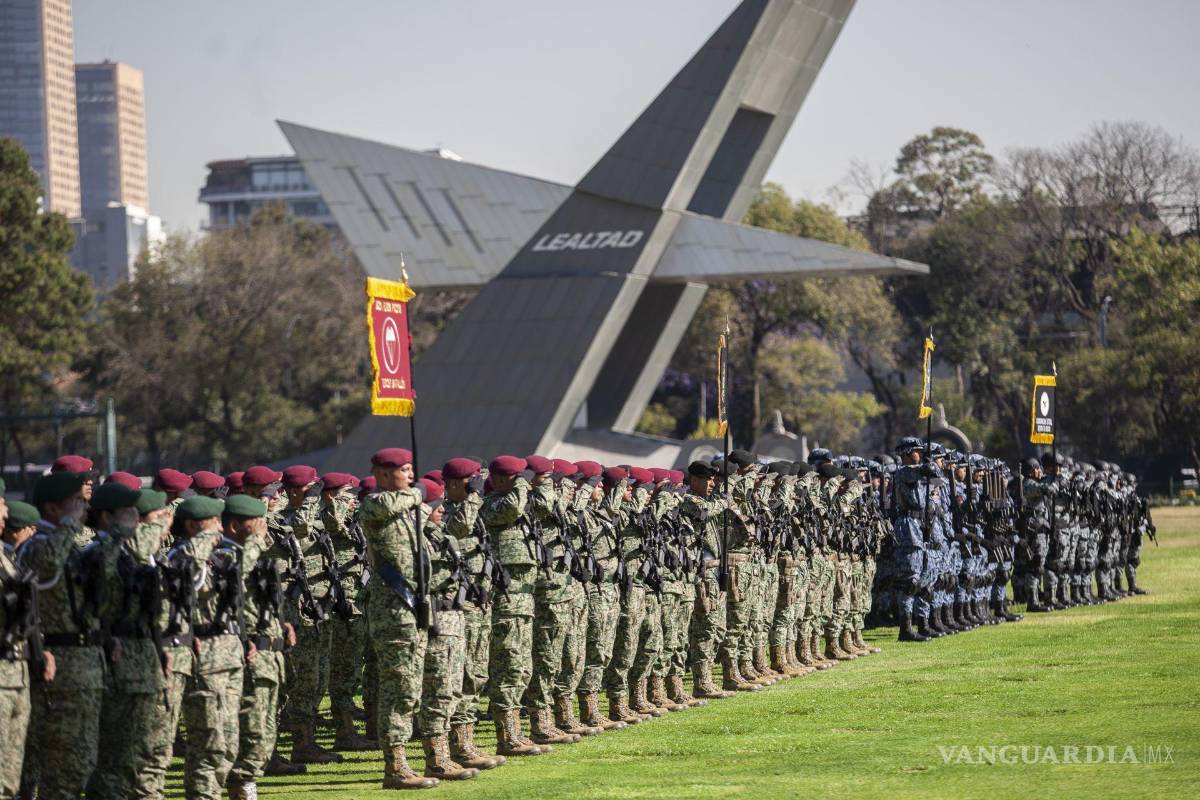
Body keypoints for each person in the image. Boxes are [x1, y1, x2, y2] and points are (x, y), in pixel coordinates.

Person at [18, 471, 104, 798]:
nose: (84, 509)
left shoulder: (69, 544)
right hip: (58, 662)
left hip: (81, 663)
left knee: (78, 761)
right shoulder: (39, 545)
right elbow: (48, 566)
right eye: (77, 502)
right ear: (53, 509)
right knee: (60, 764)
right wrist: (70, 524)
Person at [360, 447, 438, 789]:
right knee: (398, 684)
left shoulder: (409, 510)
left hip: (413, 605)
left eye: (411, 470)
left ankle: (408, 760)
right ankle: (395, 767)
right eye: (403, 470)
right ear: (381, 472)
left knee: (411, 685)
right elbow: (395, 504)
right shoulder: (376, 504)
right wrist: (417, 493)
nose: (410, 476)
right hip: (392, 606)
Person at [225, 493, 296, 800]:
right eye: (256, 524)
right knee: (251, 729)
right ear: (234, 527)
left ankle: (246, 781)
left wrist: (282, 624)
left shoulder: (255, 557)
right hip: (249, 655)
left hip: (270, 654)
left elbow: (259, 601)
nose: (263, 530)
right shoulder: (227, 556)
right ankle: (241, 786)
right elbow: (231, 587)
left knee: (266, 730)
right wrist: (254, 543)